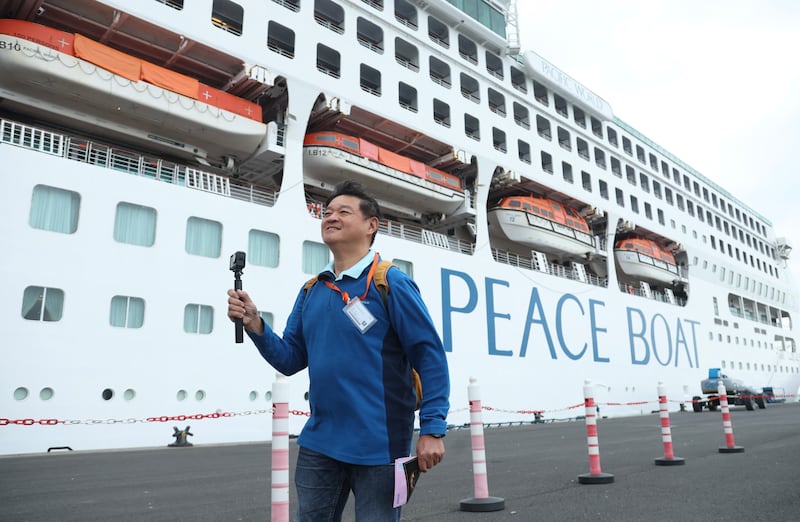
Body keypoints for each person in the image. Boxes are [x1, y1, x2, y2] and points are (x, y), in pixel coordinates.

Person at [227, 180, 450, 521]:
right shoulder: (312, 289)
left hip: (381, 447)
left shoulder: (390, 282)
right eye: (326, 212)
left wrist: (433, 429)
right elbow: (290, 359)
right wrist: (255, 323)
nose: (330, 217)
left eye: (343, 212)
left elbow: (429, 356)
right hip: (320, 443)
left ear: (371, 225)